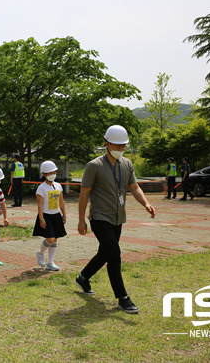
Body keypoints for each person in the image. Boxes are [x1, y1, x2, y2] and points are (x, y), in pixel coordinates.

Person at [76, 125, 156, 314]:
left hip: (118, 218)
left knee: (105, 254)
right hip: (100, 218)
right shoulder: (94, 166)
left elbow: (135, 187)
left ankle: (83, 277)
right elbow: (84, 194)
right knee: (114, 255)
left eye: (123, 146)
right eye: (117, 145)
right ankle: (123, 298)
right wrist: (81, 220)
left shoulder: (127, 164)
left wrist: (146, 203)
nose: (121, 149)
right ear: (107, 144)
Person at [34, 161, 67, 271]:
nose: (53, 174)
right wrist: (41, 218)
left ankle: (50, 263)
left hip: (56, 215)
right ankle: (40, 253)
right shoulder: (41, 188)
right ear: (44, 174)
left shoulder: (58, 185)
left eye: (54, 172)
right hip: (46, 216)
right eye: (50, 173)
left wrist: (64, 215)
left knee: (55, 239)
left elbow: (61, 201)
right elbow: (39, 204)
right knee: (50, 239)